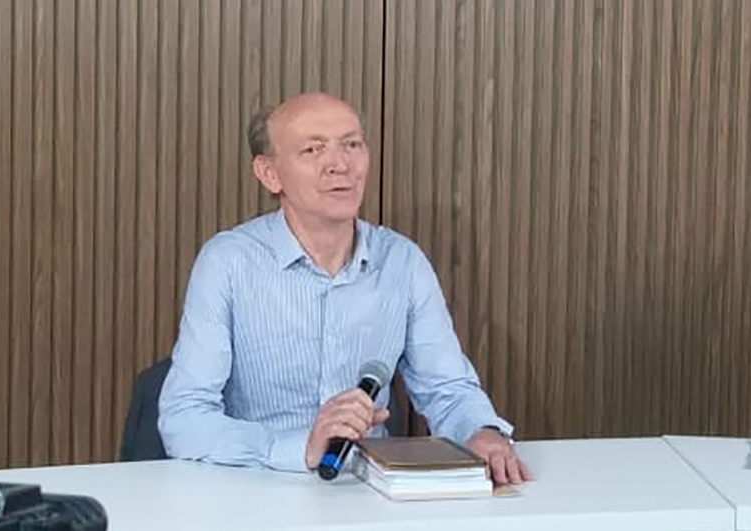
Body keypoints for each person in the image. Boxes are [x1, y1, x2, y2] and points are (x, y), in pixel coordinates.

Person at [158, 92, 532, 485]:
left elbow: (448, 389)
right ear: (269, 173)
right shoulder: (228, 262)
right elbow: (184, 418)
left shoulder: (402, 261)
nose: (340, 165)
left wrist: (482, 432)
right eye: (313, 149)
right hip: (257, 484)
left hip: (369, 489)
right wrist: (299, 448)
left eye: (352, 144)